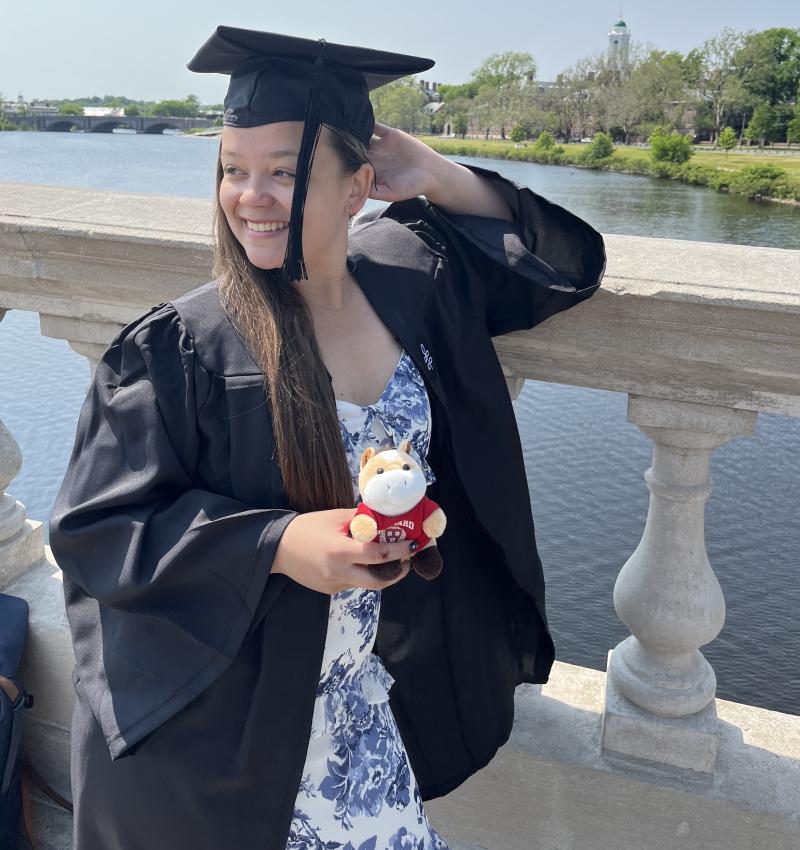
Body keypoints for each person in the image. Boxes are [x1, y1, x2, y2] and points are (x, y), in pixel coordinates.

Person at [48, 25, 607, 850]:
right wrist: (277, 543)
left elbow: (567, 266)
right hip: (217, 746)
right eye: (233, 170)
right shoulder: (182, 349)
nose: (250, 197)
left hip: (356, 714)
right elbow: (96, 532)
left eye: (285, 171)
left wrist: (440, 177)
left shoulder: (412, 275)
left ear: (358, 189)